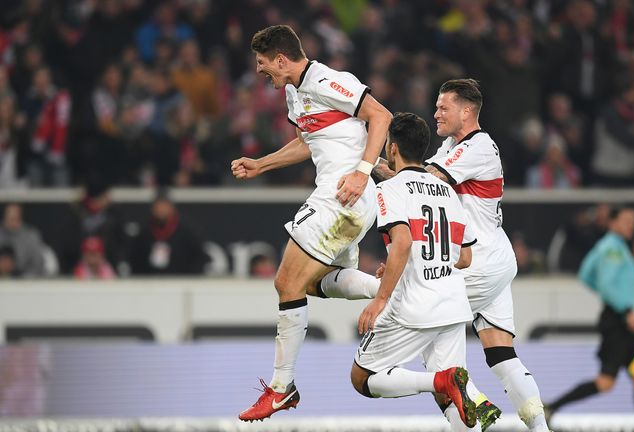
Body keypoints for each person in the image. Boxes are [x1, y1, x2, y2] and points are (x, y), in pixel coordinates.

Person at [322, 79, 549, 432]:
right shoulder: (448, 146)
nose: (436, 113)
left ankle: (474, 400)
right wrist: (370, 163)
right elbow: (413, 173)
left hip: (478, 259)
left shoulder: (479, 145)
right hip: (478, 252)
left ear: (467, 111)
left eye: (444, 108)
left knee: (431, 319)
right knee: (501, 354)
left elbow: (423, 179)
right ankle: (538, 427)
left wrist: (369, 165)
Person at [231, 25, 391, 422]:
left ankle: (281, 389)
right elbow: (308, 141)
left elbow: (381, 116)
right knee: (310, 285)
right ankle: (392, 289)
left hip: (343, 194)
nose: (259, 70)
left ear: (282, 60)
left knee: (285, 283)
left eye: (263, 63)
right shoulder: (293, 93)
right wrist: (262, 164)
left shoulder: (327, 80)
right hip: (346, 200)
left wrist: (362, 171)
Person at [350, 112, 477, 429]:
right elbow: (465, 257)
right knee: (456, 400)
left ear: (392, 149)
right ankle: (456, 392)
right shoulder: (446, 191)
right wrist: (407, 262)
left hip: (415, 306)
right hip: (453, 303)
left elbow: (403, 241)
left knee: (362, 378)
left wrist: (380, 299)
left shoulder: (390, 189)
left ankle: (438, 381)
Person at [544, 206, 634, 432]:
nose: (631, 225)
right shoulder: (614, 249)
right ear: (612, 222)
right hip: (619, 320)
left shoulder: (607, 246)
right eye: (626, 221)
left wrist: (612, 299)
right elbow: (605, 284)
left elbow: (586, 274)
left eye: (633, 222)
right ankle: (551, 407)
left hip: (618, 318)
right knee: (607, 382)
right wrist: (626, 311)